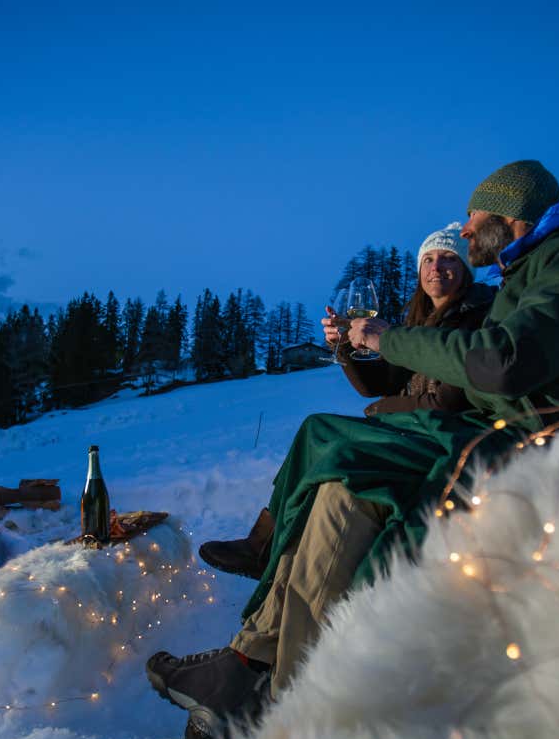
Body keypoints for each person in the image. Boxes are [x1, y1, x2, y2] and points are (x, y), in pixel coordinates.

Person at [145, 160, 559, 739]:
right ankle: (259, 675)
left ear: (508, 214)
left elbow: (495, 368)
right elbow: (463, 376)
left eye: (471, 221)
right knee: (337, 494)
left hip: (523, 452)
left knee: (327, 443)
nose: (463, 234)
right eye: (431, 256)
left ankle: (295, 696)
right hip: (487, 439)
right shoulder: (530, 271)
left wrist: (385, 340)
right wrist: (363, 352)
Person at [198, 227, 496, 580]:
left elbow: (445, 401)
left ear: (465, 267)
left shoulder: (476, 316)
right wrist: (345, 347)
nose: (436, 267)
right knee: (317, 433)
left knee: (320, 432)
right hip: (411, 428)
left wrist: (380, 411)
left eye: (449, 258)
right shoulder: (420, 321)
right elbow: (376, 385)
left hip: (440, 436)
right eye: (428, 259)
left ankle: (265, 547)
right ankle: (269, 544)